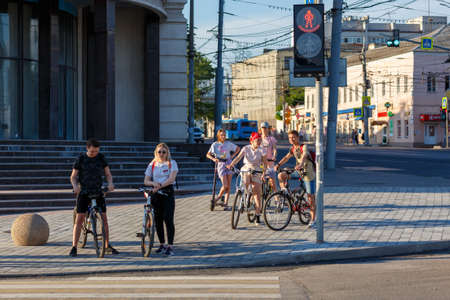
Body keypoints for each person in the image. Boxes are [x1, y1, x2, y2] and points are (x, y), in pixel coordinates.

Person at [70, 138, 118, 257]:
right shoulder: (80, 159)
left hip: (98, 191)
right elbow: (73, 176)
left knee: (104, 219)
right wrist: (75, 186)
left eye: (96, 151)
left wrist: (110, 183)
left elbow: (108, 174)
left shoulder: (101, 158)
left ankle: (106, 245)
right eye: (92, 152)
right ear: (87, 149)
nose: (94, 154)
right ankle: (74, 246)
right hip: (84, 192)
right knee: (80, 218)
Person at [274, 130, 316, 228]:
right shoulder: (293, 148)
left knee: (311, 197)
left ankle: (313, 220)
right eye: (289, 138)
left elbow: (305, 155)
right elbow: (286, 157)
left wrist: (301, 163)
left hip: (307, 174)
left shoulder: (303, 146)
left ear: (298, 137)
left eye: (293, 137)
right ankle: (285, 191)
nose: (291, 139)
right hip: (298, 172)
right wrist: (278, 164)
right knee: (281, 175)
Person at [144, 143, 178, 256]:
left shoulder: (171, 163)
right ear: (156, 153)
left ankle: (170, 246)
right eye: (159, 152)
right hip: (156, 193)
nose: (161, 154)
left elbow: (171, 179)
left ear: (167, 152)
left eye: (164, 152)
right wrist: (153, 183)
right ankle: (162, 244)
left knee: (168, 219)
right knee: (157, 220)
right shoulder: (153, 164)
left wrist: (160, 185)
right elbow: (146, 181)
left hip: (167, 193)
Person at [227, 132, 267, 225]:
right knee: (246, 180)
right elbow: (238, 157)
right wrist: (231, 164)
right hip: (247, 168)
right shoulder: (246, 148)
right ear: (252, 140)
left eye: (260, 140)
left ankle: (257, 215)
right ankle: (246, 195)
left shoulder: (262, 150)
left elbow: (265, 164)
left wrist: (264, 173)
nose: (259, 141)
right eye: (257, 140)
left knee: (257, 194)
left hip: (257, 170)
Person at [206, 129, 240, 210]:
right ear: (218, 135)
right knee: (225, 185)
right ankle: (217, 199)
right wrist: (213, 159)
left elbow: (238, 148)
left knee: (228, 186)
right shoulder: (215, 144)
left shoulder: (228, 144)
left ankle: (225, 203)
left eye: (224, 135)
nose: (223, 136)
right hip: (220, 164)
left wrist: (232, 156)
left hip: (229, 163)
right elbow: (208, 154)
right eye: (222, 135)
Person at [260, 122, 278, 193]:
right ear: (260, 129)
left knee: (272, 181)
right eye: (262, 128)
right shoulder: (258, 138)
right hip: (261, 162)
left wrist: (274, 156)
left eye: (265, 128)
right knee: (258, 180)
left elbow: (275, 149)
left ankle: (277, 199)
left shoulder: (271, 139)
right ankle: (252, 199)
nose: (264, 129)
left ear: (268, 129)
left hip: (270, 162)